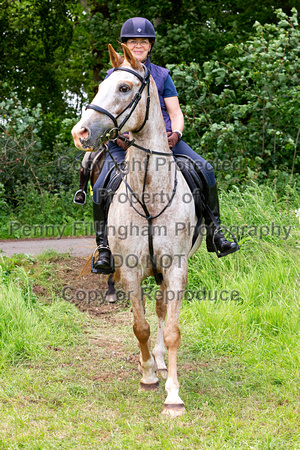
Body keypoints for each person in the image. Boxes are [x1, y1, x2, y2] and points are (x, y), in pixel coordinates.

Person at [78, 17, 239, 273]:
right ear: (124, 45)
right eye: (133, 42)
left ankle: (215, 233)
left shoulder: (162, 75)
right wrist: (118, 136)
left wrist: (175, 133)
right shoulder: (114, 75)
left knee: (205, 168)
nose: (138, 46)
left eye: (143, 42)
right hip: (124, 142)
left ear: (150, 45)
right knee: (100, 186)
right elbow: (107, 111)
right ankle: (104, 248)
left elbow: (175, 112)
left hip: (164, 140)